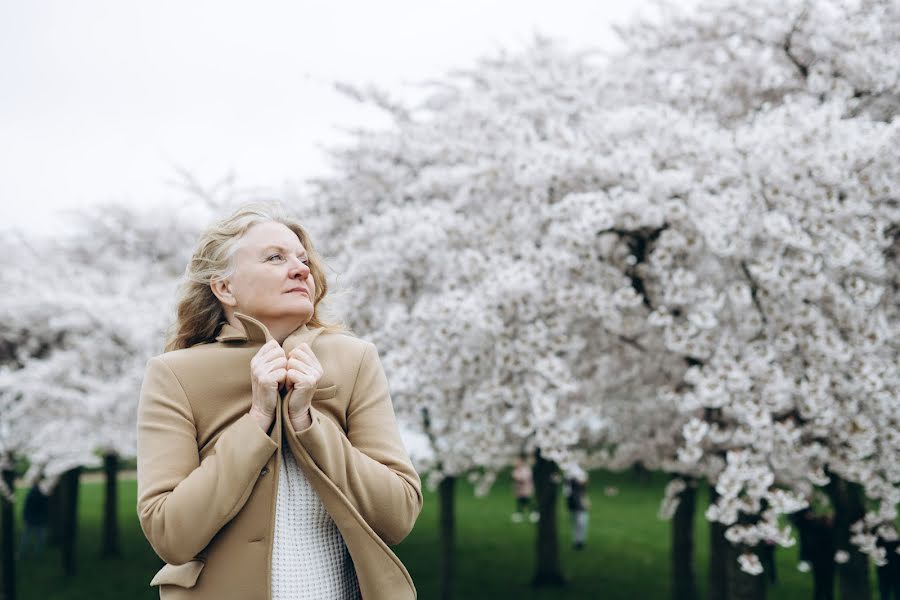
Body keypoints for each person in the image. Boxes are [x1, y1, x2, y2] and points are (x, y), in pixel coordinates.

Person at [136, 202, 423, 600]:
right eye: (275, 258)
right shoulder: (174, 374)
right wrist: (257, 420)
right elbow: (171, 535)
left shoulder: (355, 359)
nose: (302, 269)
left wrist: (308, 424)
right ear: (224, 287)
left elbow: (399, 515)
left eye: (303, 260)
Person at [17, 484, 48, 560]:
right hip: (37, 520)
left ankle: (23, 554)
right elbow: (44, 509)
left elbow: (26, 509)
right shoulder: (42, 495)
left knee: (27, 538)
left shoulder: (31, 494)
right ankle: (37, 555)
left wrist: (26, 518)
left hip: (32, 519)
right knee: (38, 539)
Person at [564, 474, 590, 550]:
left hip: (578, 503)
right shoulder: (571, 481)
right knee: (578, 523)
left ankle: (579, 541)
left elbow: (583, 491)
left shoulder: (580, 488)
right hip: (575, 503)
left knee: (581, 523)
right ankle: (577, 541)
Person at [511, 454, 538, 523]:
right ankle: (519, 514)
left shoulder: (526, 469)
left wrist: (519, 479)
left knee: (527, 501)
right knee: (520, 502)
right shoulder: (516, 470)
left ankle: (534, 513)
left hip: (526, 488)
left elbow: (526, 477)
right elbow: (513, 477)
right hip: (519, 489)